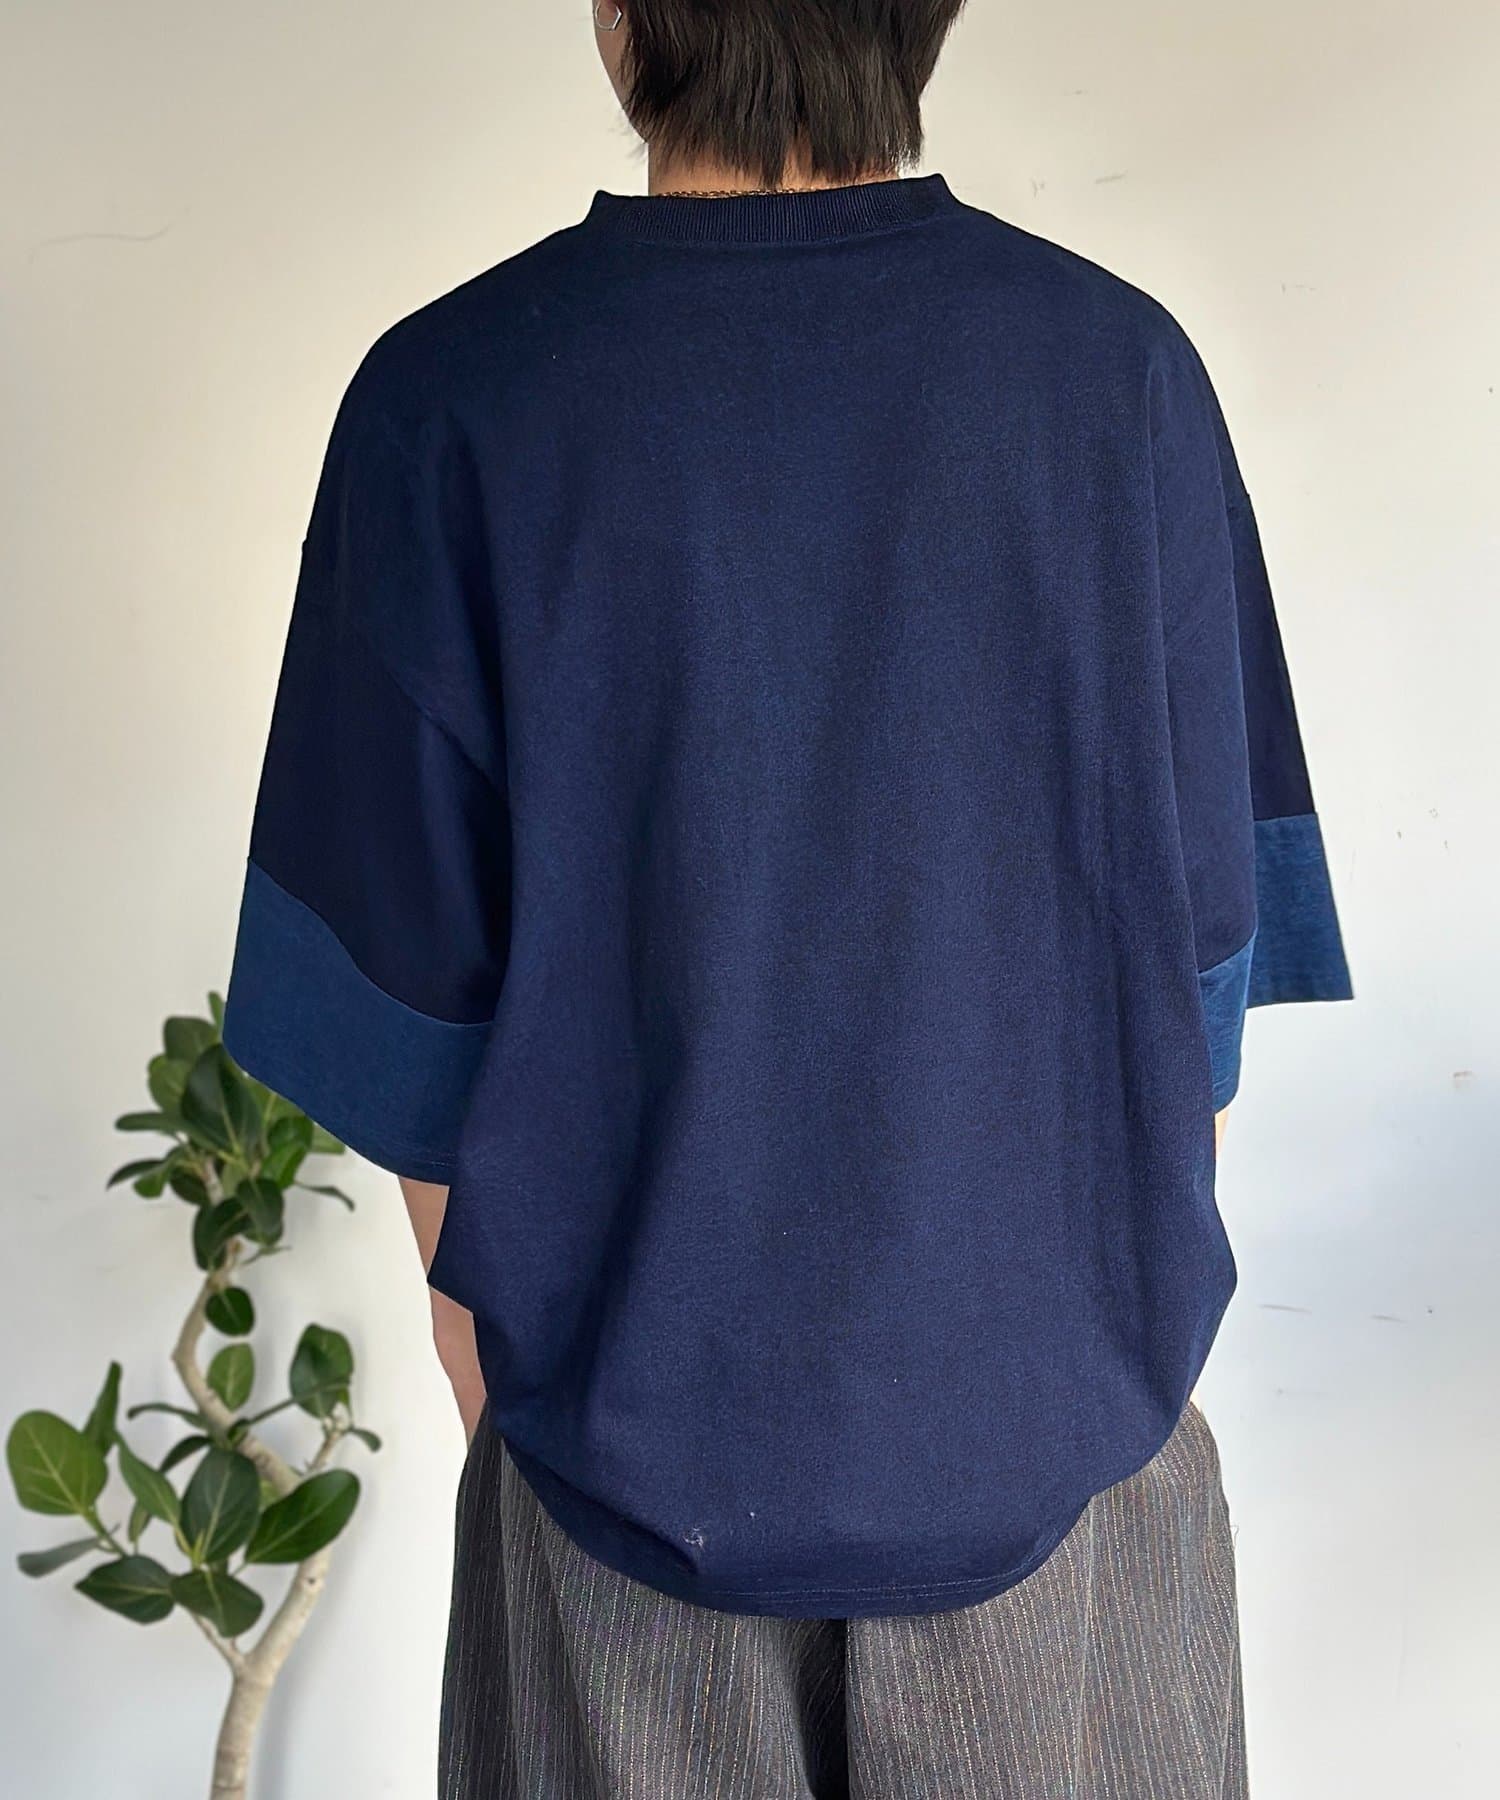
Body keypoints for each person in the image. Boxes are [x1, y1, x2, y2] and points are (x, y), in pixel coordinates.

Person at [222, 2, 1352, 1793]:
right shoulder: (1119, 378)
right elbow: (1195, 991)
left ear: (621, 20)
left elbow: (407, 1026)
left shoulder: (453, 400)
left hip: (614, 1500)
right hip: (1064, 1482)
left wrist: (523, 1401)